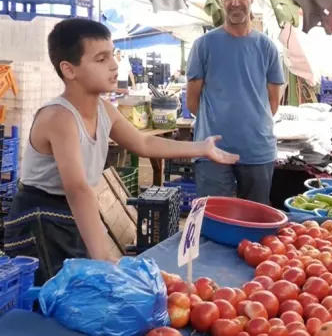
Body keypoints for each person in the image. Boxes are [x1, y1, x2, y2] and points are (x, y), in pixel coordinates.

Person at [2, 18, 239, 286]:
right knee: (52, 299)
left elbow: (145, 144)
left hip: (71, 215)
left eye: (113, 55)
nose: (114, 65)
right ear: (69, 69)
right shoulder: (60, 117)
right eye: (101, 59)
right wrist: (103, 257)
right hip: (40, 220)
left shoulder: (105, 110)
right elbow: (77, 188)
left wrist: (202, 148)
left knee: (77, 292)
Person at [186, 0, 285, 205]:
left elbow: (273, 104)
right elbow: (192, 103)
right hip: (212, 152)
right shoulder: (203, 45)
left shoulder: (268, 47)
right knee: (212, 219)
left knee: (256, 225)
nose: (235, 2)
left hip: (257, 151)